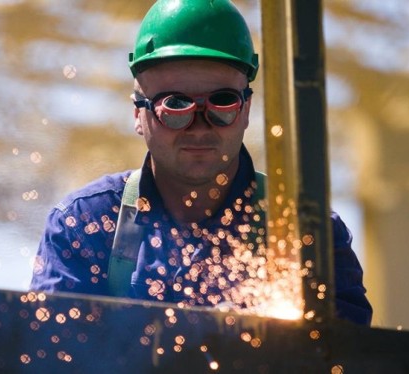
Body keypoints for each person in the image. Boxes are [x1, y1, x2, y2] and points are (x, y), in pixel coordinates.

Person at [30, 0, 372, 325]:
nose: (199, 126)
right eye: (174, 105)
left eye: (222, 102)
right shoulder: (84, 226)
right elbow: (53, 355)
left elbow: (345, 358)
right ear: (138, 113)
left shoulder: (308, 234)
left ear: (246, 110)